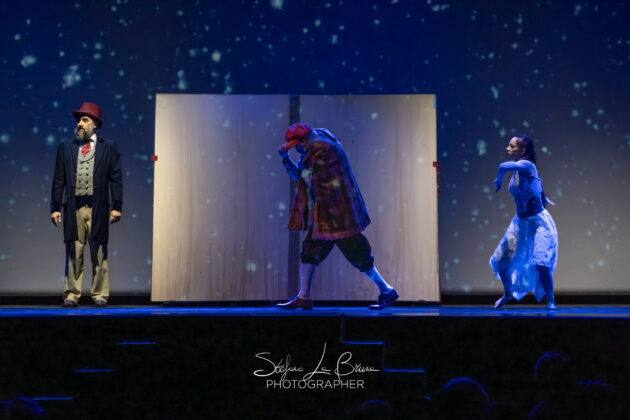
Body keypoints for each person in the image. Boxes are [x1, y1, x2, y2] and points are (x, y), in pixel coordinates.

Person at [276, 123, 398, 310]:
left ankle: (386, 290)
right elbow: (302, 176)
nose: (298, 150)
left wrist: (288, 160)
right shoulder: (317, 140)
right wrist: (286, 158)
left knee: (357, 254)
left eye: (297, 145)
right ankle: (304, 296)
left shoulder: (321, 149)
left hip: (339, 215)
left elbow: (302, 176)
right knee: (311, 250)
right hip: (329, 213)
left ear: (304, 139)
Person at [50, 102, 122, 308]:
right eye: (79, 121)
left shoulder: (108, 147)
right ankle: (72, 294)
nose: (80, 124)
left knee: (99, 251)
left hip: (98, 206)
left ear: (95, 124)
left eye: (84, 120)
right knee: (74, 251)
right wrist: (55, 208)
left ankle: (100, 294)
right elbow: (59, 179)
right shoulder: (66, 148)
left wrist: (117, 206)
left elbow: (116, 178)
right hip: (74, 207)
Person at [490, 135, 558, 310]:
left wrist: (499, 179)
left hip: (538, 223)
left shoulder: (527, 165)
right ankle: (508, 293)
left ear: (523, 150)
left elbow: (501, 166)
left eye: (512, 146)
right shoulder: (519, 171)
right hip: (520, 224)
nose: (508, 149)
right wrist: (543, 196)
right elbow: (535, 185)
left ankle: (550, 300)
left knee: (541, 263)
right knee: (500, 260)